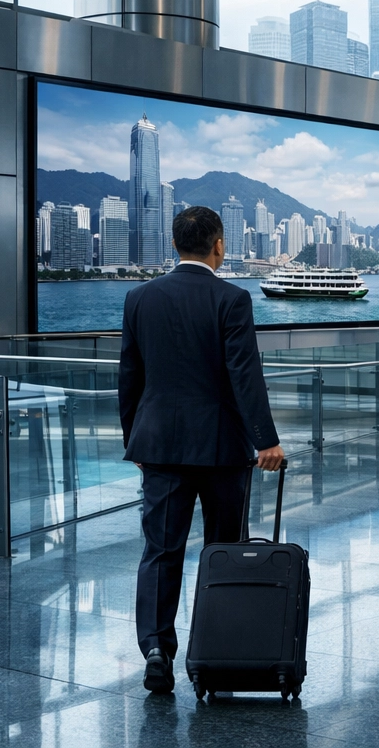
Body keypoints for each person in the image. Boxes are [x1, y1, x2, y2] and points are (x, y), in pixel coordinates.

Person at [118, 206, 285, 694]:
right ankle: (217, 646)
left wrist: (137, 440)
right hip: (221, 449)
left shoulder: (138, 298)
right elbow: (244, 374)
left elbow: (129, 377)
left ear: (175, 246)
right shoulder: (232, 298)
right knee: (223, 550)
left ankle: (155, 649)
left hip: (161, 448)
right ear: (219, 245)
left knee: (160, 551)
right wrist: (266, 440)